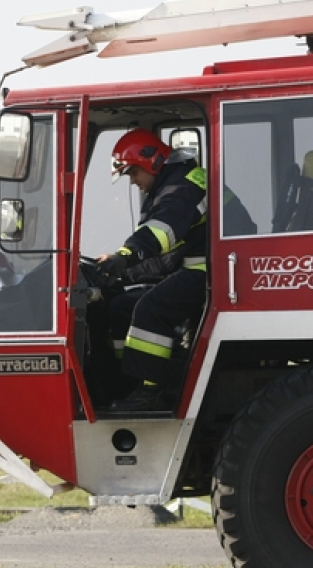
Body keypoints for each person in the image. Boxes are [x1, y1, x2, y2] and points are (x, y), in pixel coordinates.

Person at [96, 129, 208, 411]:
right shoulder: (173, 185)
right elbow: (165, 254)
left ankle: (151, 390)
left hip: (209, 273)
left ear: (152, 163)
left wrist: (125, 256)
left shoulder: (183, 187)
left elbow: (161, 233)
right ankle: (129, 383)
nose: (133, 182)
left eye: (133, 173)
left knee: (151, 308)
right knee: (121, 306)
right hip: (189, 267)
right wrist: (122, 270)